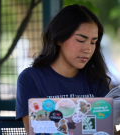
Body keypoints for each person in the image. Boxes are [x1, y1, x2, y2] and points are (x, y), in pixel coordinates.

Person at [16, 4, 111, 134]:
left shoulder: (97, 80)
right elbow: (35, 131)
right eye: (80, 40)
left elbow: (108, 128)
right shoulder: (31, 79)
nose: (88, 49)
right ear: (59, 38)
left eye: (93, 42)